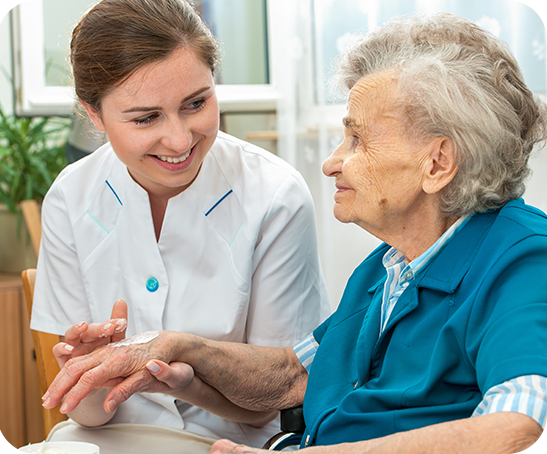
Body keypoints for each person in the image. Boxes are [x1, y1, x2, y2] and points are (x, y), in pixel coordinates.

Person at [42, 12, 547, 453]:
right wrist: (173, 348)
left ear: (437, 163)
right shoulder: (389, 267)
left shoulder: (522, 264)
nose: (331, 163)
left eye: (357, 139)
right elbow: (293, 375)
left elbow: (521, 434)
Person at [30, 0, 330, 450]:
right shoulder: (71, 198)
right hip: (103, 439)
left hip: (229, 442)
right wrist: (90, 376)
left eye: (196, 104)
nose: (179, 139)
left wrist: (182, 376)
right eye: (146, 117)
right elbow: (88, 415)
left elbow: (277, 398)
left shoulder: (274, 196)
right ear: (94, 115)